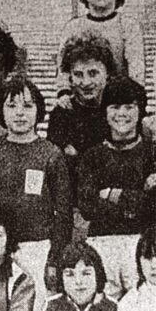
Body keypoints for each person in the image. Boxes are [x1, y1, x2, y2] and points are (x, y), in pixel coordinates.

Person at [78, 77, 156, 300]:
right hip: (101, 242)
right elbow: (88, 206)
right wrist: (139, 196)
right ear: (105, 111)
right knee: (103, 307)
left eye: (129, 107)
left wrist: (112, 194)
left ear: (140, 111)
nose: (122, 114)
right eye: (115, 107)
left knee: (143, 304)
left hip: (142, 242)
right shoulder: (92, 157)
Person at [0, 76, 71, 311]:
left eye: (28, 106)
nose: (20, 113)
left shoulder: (50, 154)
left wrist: (54, 258)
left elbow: (63, 213)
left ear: (38, 110)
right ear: (1, 110)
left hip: (38, 248)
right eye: (12, 106)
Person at [56, 0, 143, 103]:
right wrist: (64, 92)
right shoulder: (73, 27)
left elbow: (136, 70)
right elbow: (62, 68)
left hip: (117, 99)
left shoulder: (128, 26)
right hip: (82, 97)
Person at [46, 35, 115, 208]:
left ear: (108, 73)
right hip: (76, 205)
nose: (85, 82)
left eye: (93, 73)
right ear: (69, 77)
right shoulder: (61, 115)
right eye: (78, 74)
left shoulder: (118, 110)